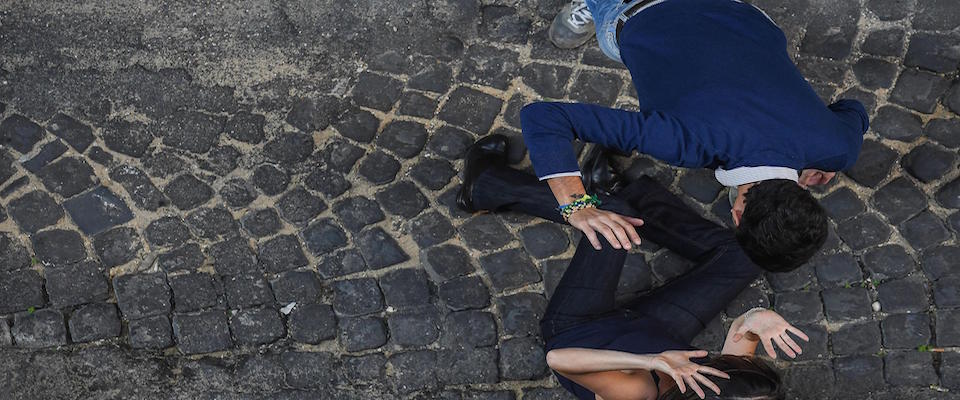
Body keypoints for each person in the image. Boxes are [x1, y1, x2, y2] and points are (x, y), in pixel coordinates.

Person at [521, 0, 870, 272]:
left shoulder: (838, 147)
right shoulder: (686, 143)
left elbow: (853, 109)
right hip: (641, 11)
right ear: (735, 216)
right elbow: (545, 118)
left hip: (738, 14)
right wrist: (576, 205)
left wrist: (827, 154)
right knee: (615, 38)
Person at [458, 135, 808, 400]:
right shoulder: (730, 384)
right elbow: (741, 339)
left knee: (610, 214)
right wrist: (757, 317)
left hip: (581, 329)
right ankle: (635, 202)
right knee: (746, 256)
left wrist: (650, 363)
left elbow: (558, 358)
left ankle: (486, 186)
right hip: (655, 331)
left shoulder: (638, 393)